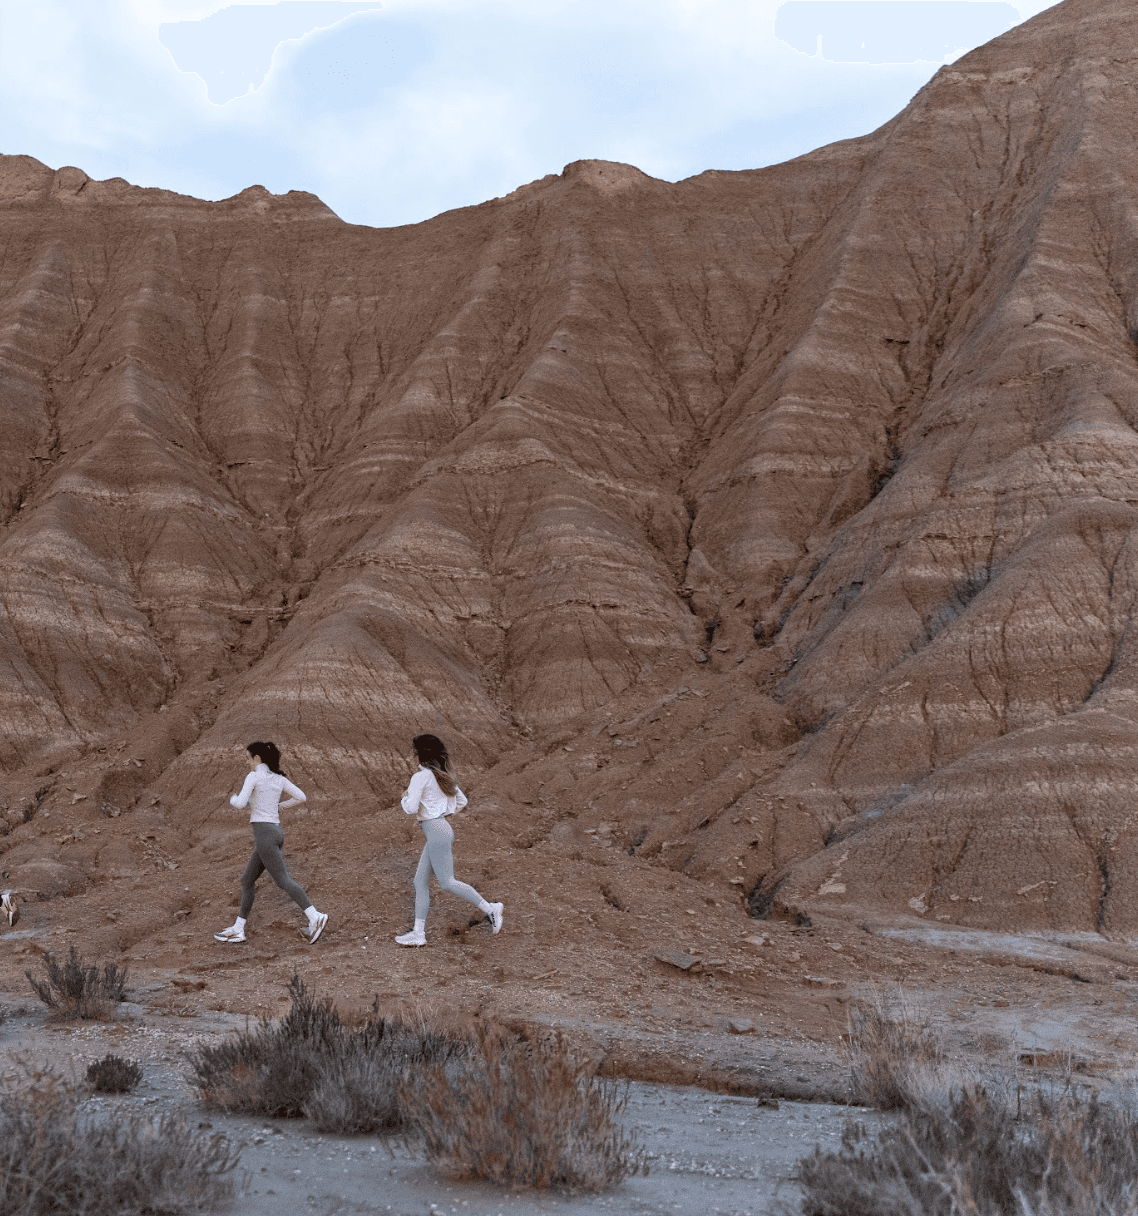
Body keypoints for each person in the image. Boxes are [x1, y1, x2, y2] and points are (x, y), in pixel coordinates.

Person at [214, 741, 328, 945]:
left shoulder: (253, 776)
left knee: (283, 880)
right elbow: (301, 797)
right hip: (275, 833)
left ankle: (315, 917)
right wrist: (279, 806)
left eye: (248, 758)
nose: (247, 762)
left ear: (257, 758)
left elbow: (240, 803)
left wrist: (232, 799)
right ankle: (238, 929)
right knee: (247, 880)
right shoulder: (278, 778)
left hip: (264, 835)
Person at [395, 733, 503, 947]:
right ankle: (418, 933)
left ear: (419, 754)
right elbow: (462, 801)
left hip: (436, 832)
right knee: (419, 881)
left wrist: (404, 798)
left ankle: (491, 908)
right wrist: (444, 812)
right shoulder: (440, 775)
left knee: (447, 882)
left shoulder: (420, 777)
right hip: (441, 829)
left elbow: (411, 808)